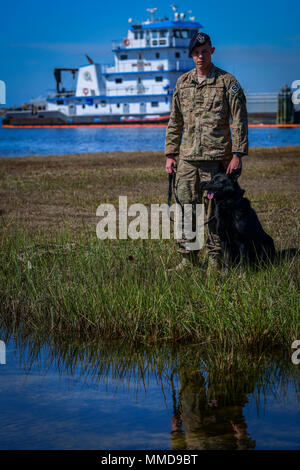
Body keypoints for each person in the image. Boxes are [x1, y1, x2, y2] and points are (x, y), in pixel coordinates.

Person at [165, 32, 248, 272]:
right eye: (196, 53)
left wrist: (238, 154)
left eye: (204, 51)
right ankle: (188, 260)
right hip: (188, 160)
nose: (200, 56)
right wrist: (171, 154)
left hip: (217, 160)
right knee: (186, 211)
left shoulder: (227, 82)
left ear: (212, 51)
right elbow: (174, 121)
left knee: (215, 214)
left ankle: (215, 260)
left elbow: (240, 120)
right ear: (191, 55)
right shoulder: (182, 83)